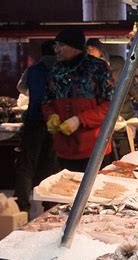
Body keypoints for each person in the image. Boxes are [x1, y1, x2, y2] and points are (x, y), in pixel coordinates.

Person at [42, 27, 114, 172]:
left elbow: (111, 107)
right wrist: (51, 115)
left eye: (61, 45)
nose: (56, 50)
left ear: (76, 47)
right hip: (64, 149)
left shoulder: (98, 68)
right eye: (55, 45)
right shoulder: (55, 70)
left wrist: (79, 120)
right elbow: (47, 100)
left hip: (94, 148)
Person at [15, 40, 59, 214]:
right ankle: (49, 205)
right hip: (55, 123)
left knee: (26, 164)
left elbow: (21, 88)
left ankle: (23, 205)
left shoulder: (32, 70)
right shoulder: (61, 70)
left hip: (34, 121)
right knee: (51, 164)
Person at [108, 55, 138, 120]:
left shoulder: (100, 75)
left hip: (108, 116)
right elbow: (134, 91)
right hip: (125, 114)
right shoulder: (125, 76)